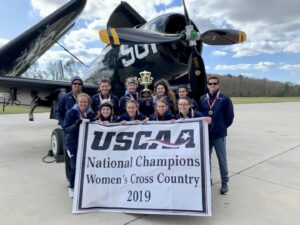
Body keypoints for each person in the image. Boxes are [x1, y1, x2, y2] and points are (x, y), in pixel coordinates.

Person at [199, 76, 234, 195]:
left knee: (222, 159)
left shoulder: (225, 99)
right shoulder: (202, 98)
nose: (212, 85)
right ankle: (208, 180)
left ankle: (224, 182)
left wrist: (220, 126)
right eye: (210, 83)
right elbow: (200, 115)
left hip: (219, 135)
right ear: (207, 85)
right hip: (205, 134)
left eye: (214, 83)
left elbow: (229, 118)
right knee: (206, 159)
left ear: (218, 85)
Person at [63, 93, 94, 197]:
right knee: (75, 166)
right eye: (81, 102)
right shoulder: (70, 113)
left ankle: (82, 185)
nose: (83, 104)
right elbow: (66, 129)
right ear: (77, 102)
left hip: (86, 144)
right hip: (73, 144)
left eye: (85, 102)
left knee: (86, 166)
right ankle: (72, 187)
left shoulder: (91, 114)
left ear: (88, 103)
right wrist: (76, 124)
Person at [55, 76, 83, 187]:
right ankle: (69, 179)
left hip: (83, 130)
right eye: (75, 83)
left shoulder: (85, 97)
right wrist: (63, 124)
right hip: (70, 131)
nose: (77, 85)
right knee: (70, 156)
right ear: (71, 85)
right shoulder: (65, 98)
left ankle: (80, 178)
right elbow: (58, 112)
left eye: (79, 83)